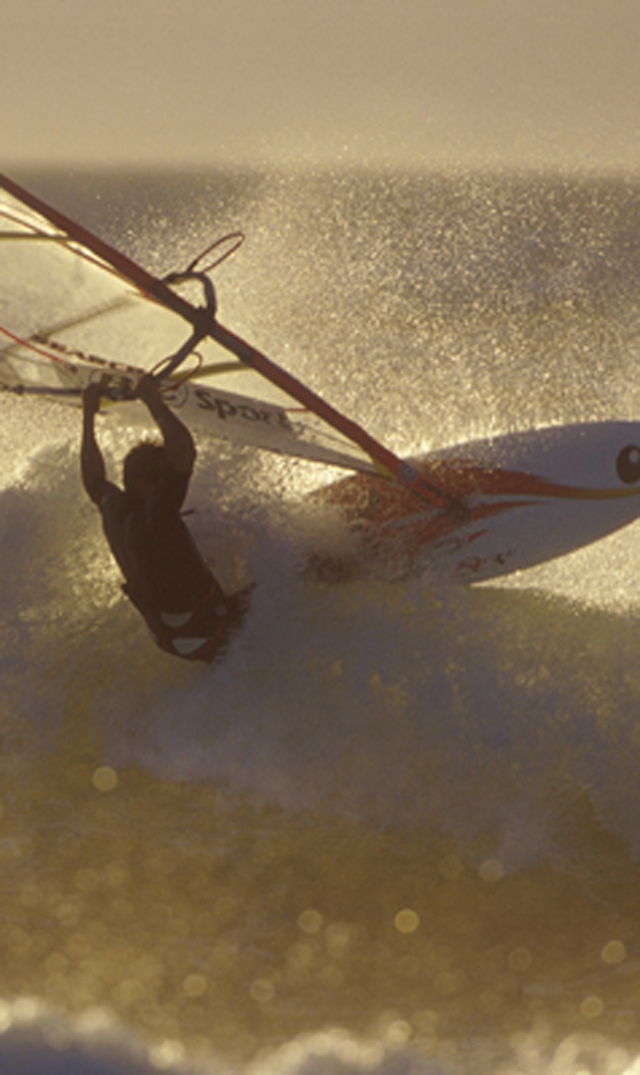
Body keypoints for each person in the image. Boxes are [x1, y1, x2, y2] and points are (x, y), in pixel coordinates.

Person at [81, 374, 250, 662]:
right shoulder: (156, 513)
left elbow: (93, 478)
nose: (169, 485)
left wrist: (88, 414)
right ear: (143, 485)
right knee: (284, 581)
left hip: (173, 639)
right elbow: (185, 452)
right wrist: (154, 402)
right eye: (162, 479)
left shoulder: (113, 506)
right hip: (210, 632)